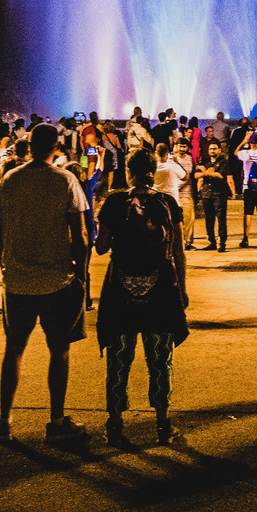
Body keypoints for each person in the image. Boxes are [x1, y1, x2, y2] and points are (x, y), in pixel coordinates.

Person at [0, 122, 89, 444]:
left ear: (29, 145)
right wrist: (82, 273)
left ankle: (5, 421)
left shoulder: (10, 179)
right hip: (56, 279)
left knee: (14, 350)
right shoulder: (65, 180)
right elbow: (81, 234)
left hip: (17, 279)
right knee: (58, 350)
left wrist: (2, 259)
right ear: (56, 147)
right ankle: (56, 420)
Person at [95, 148, 190, 448]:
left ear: (128, 170)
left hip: (120, 289)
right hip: (160, 288)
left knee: (119, 358)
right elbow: (177, 251)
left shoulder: (114, 202)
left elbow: (101, 247)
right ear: (154, 171)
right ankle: (163, 423)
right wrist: (183, 288)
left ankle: (115, 423)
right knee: (160, 359)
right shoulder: (167, 202)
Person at [198, 139, 234, 253]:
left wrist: (206, 173)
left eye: (214, 149)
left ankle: (222, 242)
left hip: (219, 194)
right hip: (206, 194)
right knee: (209, 219)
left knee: (221, 219)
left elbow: (220, 175)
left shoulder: (224, 162)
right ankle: (211, 241)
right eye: (210, 149)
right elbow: (197, 175)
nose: (212, 151)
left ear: (219, 150)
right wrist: (207, 173)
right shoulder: (206, 162)